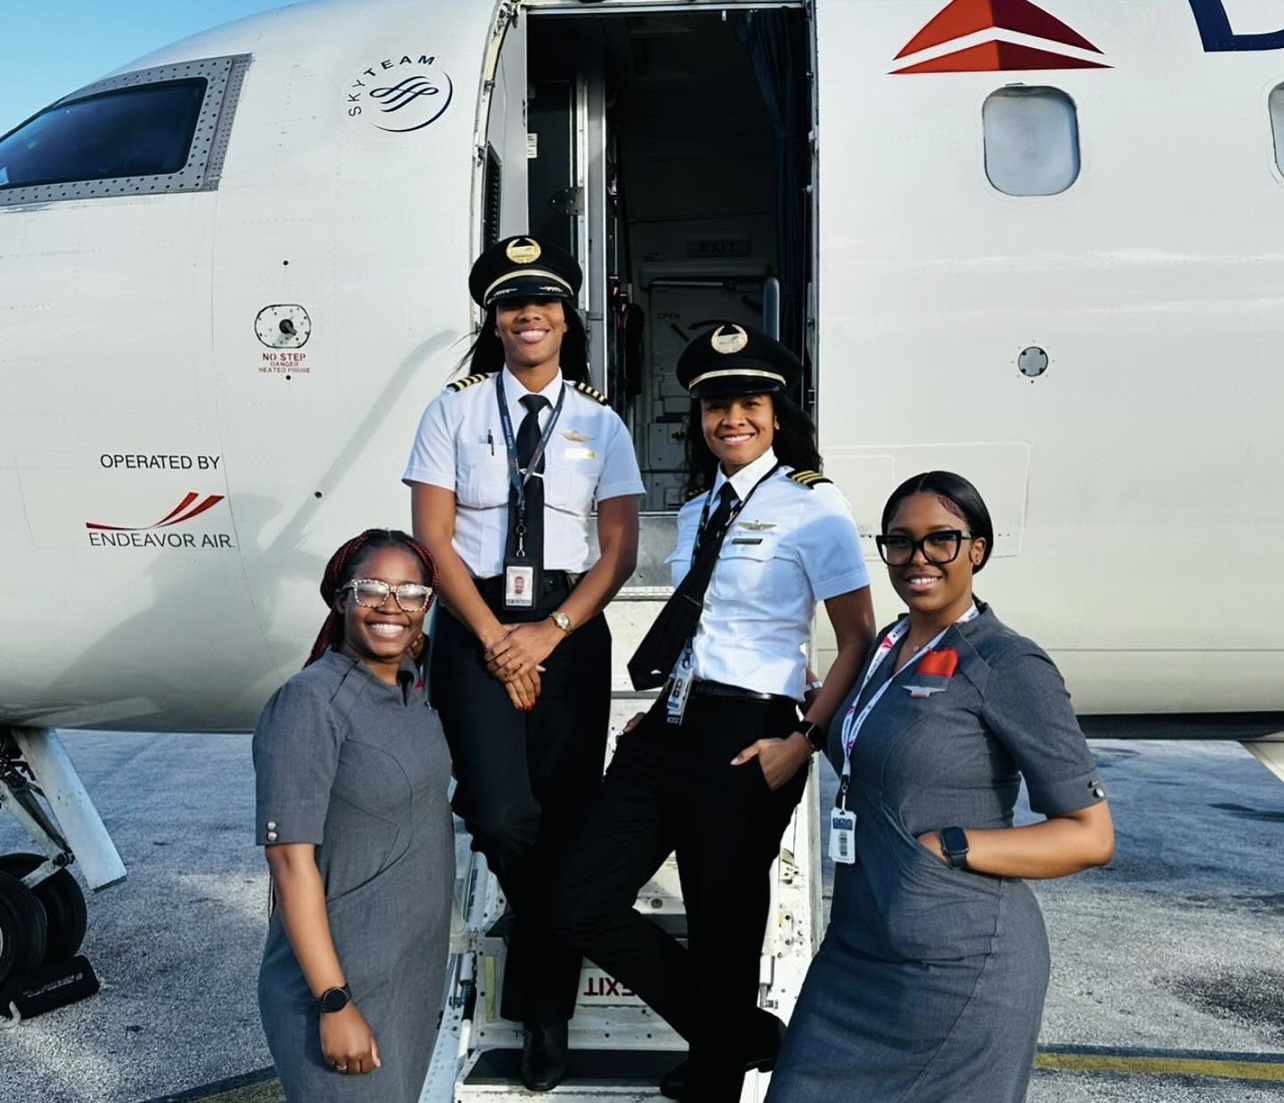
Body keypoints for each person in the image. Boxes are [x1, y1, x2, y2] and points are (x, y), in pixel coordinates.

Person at [547, 322, 877, 1103]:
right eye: (715, 403)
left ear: (776, 410)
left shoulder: (813, 504)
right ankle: (737, 1029)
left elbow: (857, 636)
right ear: (698, 416)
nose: (733, 417)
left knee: (726, 926)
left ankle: (716, 1069)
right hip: (673, 726)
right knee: (577, 900)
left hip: (752, 734)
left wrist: (804, 741)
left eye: (749, 401)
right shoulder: (698, 511)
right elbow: (705, 628)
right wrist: (661, 706)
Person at [764, 471, 1116, 1103]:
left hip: (959, 965)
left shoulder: (1008, 664)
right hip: (855, 950)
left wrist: (949, 846)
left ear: (977, 549)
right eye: (900, 542)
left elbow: (1090, 836)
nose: (918, 559)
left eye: (940, 540)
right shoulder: (883, 649)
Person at [403, 236, 644, 1091]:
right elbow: (434, 538)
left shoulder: (601, 422)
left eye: (543, 300)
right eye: (511, 303)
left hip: (570, 629)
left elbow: (618, 548)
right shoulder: (454, 413)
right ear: (494, 320)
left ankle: (545, 1013)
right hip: (475, 624)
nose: (528, 314)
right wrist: (500, 639)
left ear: (565, 318)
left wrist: (551, 632)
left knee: (569, 814)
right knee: (502, 814)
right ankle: (545, 924)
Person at [253, 528, 453, 1103]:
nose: (392, 607)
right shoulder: (310, 703)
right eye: (372, 589)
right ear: (341, 599)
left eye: (410, 592)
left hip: (407, 979)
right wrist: (334, 1002)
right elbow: (289, 865)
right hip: (341, 983)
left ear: (426, 606)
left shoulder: (412, 692)